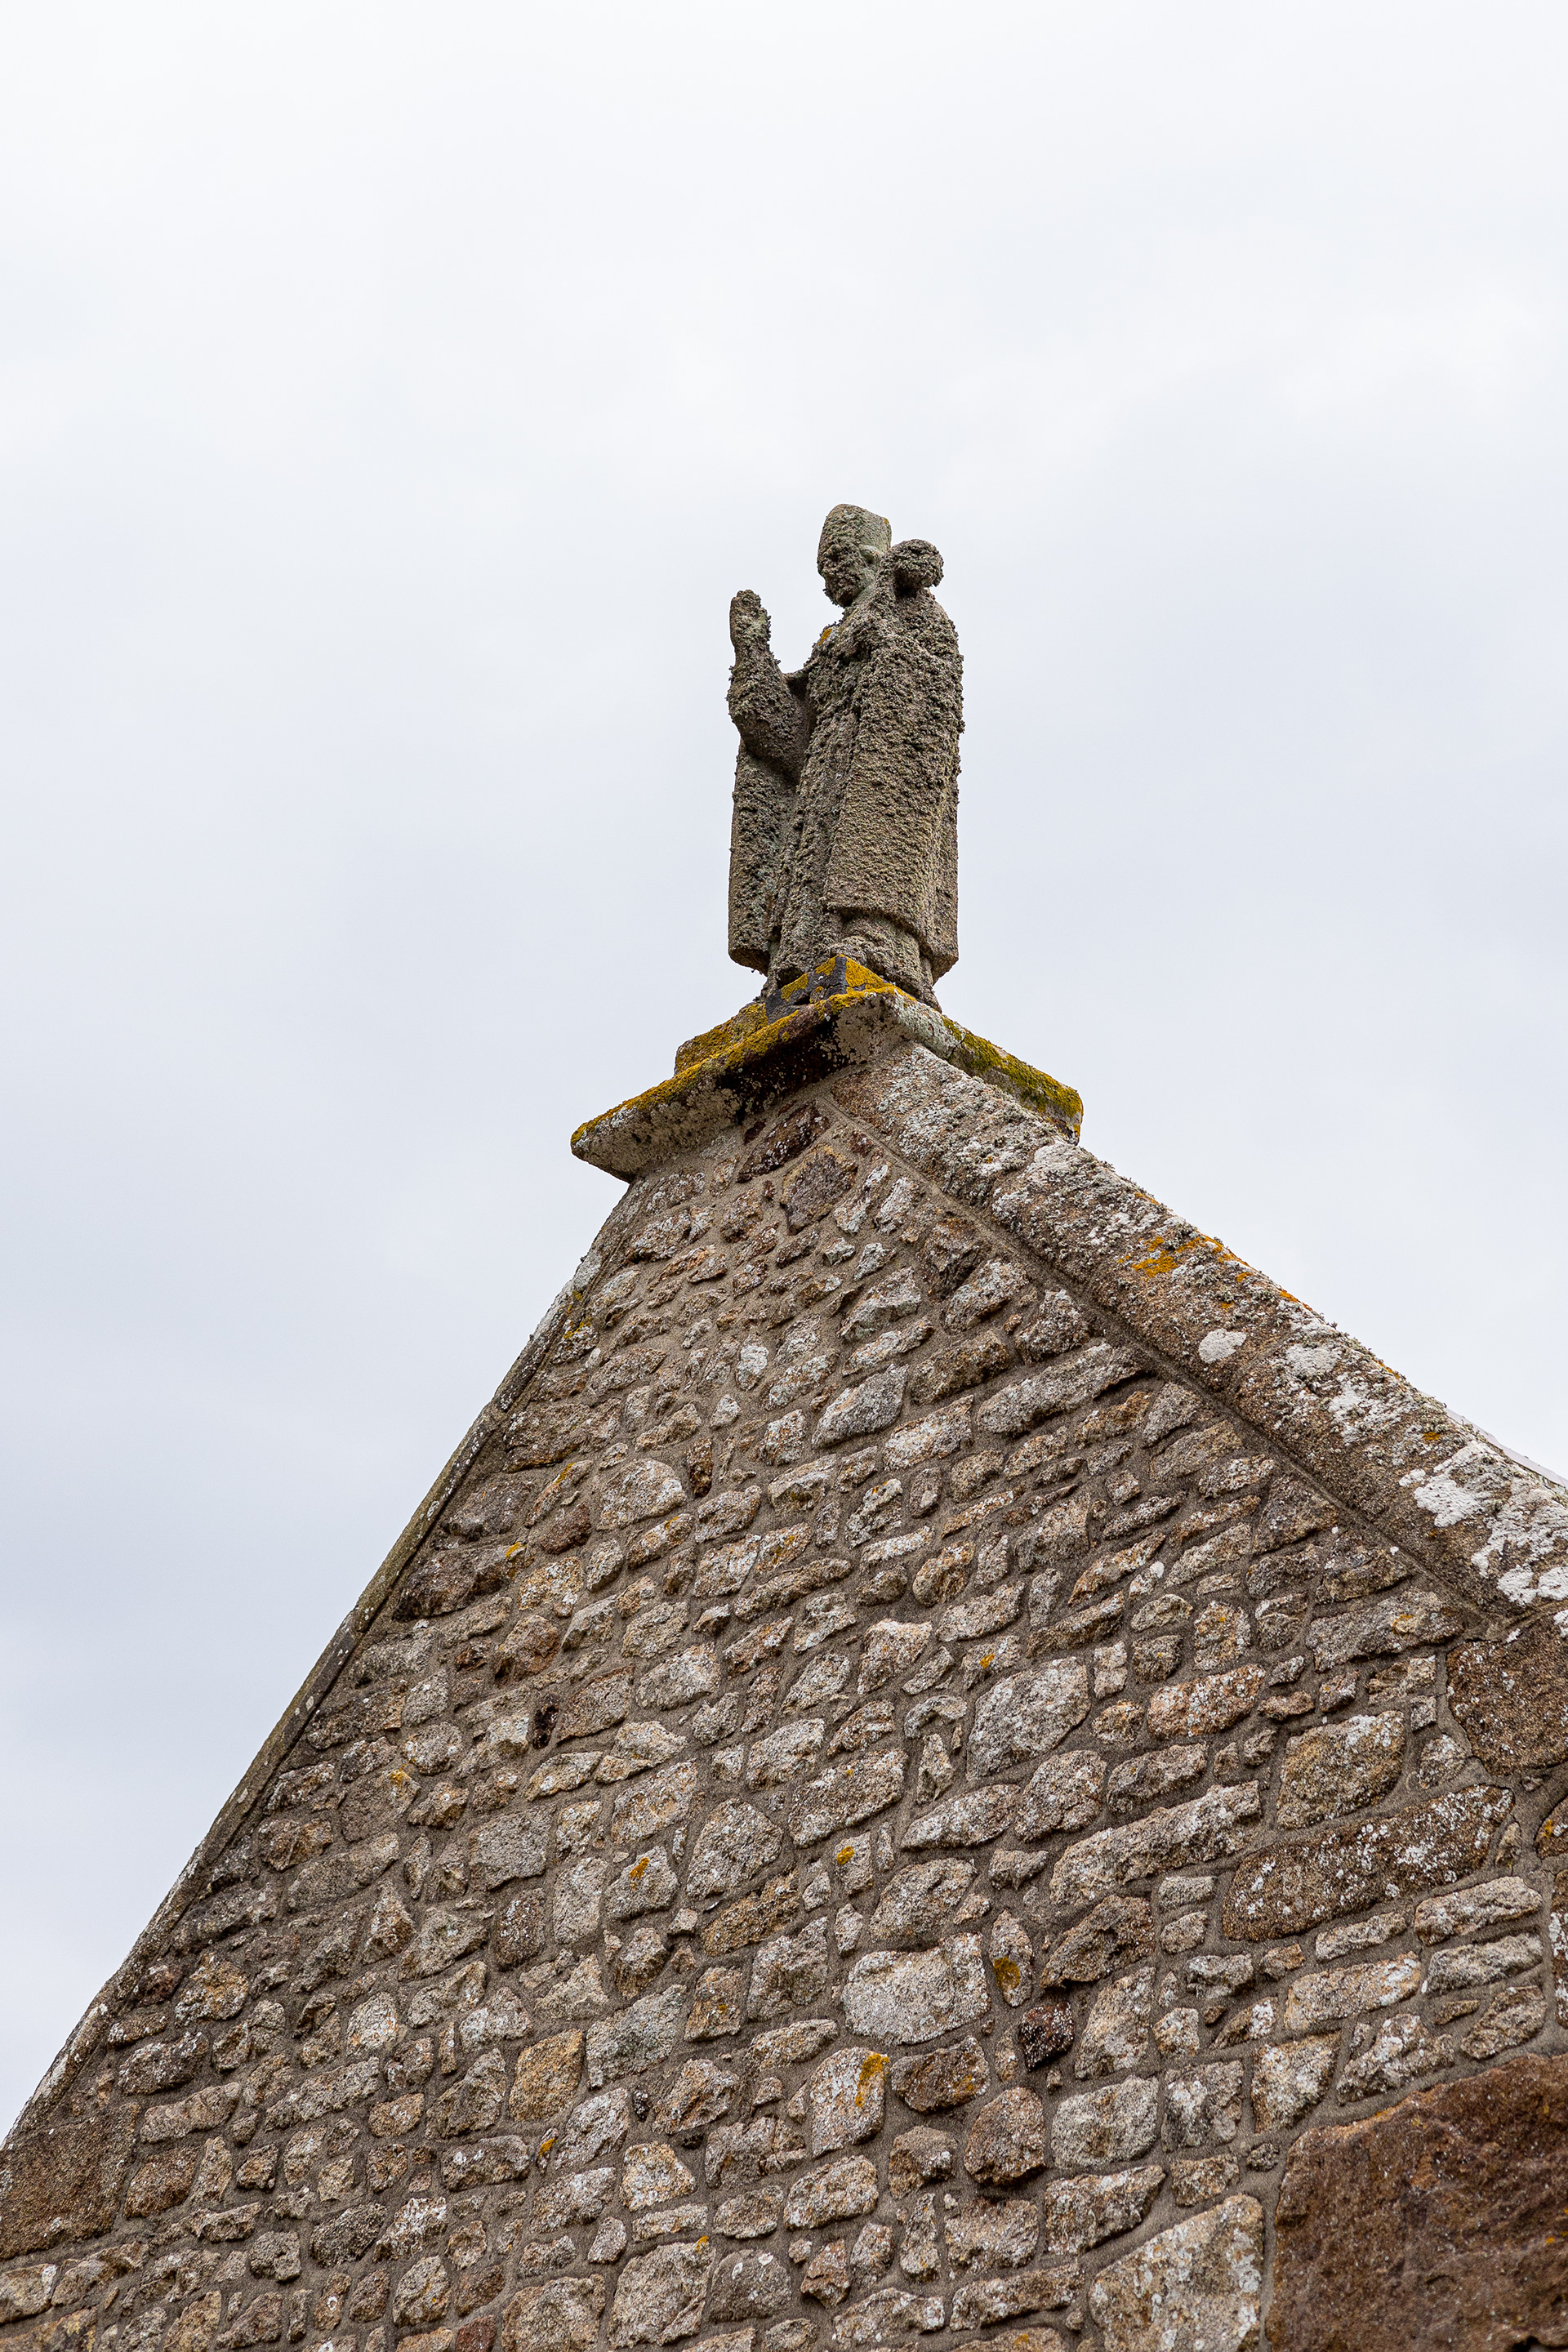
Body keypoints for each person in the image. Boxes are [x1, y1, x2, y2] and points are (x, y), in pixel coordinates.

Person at [726, 503, 960, 1007]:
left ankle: (876, 940)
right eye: (821, 569)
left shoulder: (914, 612)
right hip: (822, 778)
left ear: (873, 558)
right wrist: (752, 656)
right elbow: (791, 742)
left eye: (836, 559)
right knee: (811, 865)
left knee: (864, 849)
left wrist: (884, 622)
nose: (828, 578)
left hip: (874, 763)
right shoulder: (832, 643)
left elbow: (924, 703)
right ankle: (798, 963)